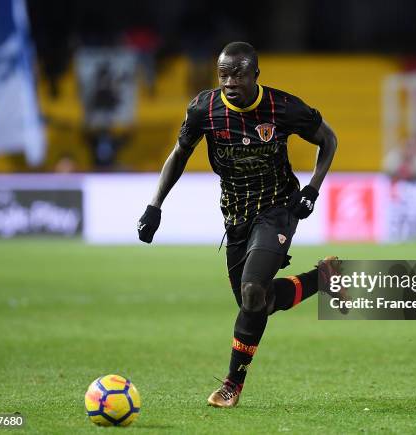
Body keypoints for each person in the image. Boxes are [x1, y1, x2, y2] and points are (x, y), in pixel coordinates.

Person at [137, 42, 348, 408]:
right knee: (258, 304)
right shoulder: (204, 108)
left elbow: (328, 139)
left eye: (237, 74)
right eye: (223, 74)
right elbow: (178, 155)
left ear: (255, 75)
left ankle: (232, 384)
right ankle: (322, 278)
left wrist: (313, 188)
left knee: (252, 292)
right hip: (235, 216)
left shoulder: (282, 107)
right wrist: (155, 205)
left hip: (278, 209)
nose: (230, 81)